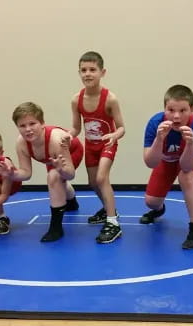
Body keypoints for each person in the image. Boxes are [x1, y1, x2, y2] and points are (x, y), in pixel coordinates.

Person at [0, 102, 83, 242]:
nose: (28, 129)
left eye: (32, 124)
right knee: (56, 179)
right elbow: (26, 173)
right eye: (22, 126)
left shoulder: (56, 141)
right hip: (51, 157)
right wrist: (11, 174)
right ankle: (71, 201)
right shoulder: (22, 143)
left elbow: (70, 174)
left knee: (54, 176)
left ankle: (56, 227)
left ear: (42, 123)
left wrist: (60, 169)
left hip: (71, 151)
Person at [142, 85, 193, 249]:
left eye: (183, 110)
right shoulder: (155, 123)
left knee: (186, 177)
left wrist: (190, 143)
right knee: (151, 202)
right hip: (165, 160)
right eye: (171, 110)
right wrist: (158, 139)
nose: (176, 116)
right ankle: (159, 209)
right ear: (164, 109)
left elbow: (187, 166)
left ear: (192, 109)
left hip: (188, 159)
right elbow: (150, 163)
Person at [69, 51, 125, 244]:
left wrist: (114, 135)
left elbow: (122, 128)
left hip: (107, 144)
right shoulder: (77, 99)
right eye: (83, 70)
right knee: (93, 183)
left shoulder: (110, 99)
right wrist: (67, 137)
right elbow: (76, 128)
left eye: (93, 69)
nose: (88, 74)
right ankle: (108, 209)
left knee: (102, 178)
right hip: (90, 146)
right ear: (79, 73)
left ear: (103, 72)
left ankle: (113, 223)